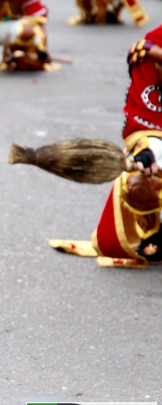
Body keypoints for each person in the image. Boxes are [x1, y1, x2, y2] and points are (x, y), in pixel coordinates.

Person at [50, 26, 162, 268]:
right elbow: (144, 115)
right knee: (140, 181)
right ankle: (155, 232)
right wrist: (145, 149)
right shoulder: (150, 52)